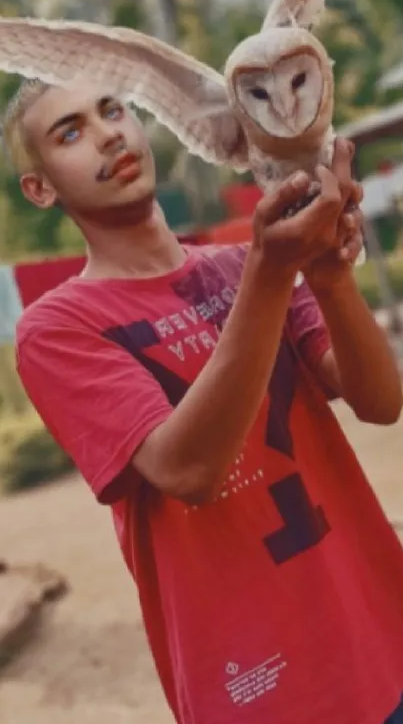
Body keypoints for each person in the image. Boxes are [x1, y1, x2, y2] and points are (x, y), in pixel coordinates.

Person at [4, 76, 403, 724]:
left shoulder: (240, 263)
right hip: (261, 684)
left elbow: (381, 401)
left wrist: (329, 278)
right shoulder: (59, 328)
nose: (107, 132)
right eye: (69, 131)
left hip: (383, 623)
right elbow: (187, 470)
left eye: (112, 109)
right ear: (40, 187)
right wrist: (270, 274)